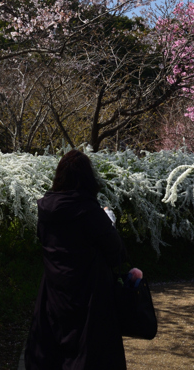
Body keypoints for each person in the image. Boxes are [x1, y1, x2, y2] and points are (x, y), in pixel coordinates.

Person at [24, 150, 142, 369]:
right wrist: (110, 222)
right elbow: (116, 252)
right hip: (90, 297)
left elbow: (44, 240)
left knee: (54, 355)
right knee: (89, 355)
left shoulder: (45, 209)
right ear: (88, 178)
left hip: (54, 295)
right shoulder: (89, 210)